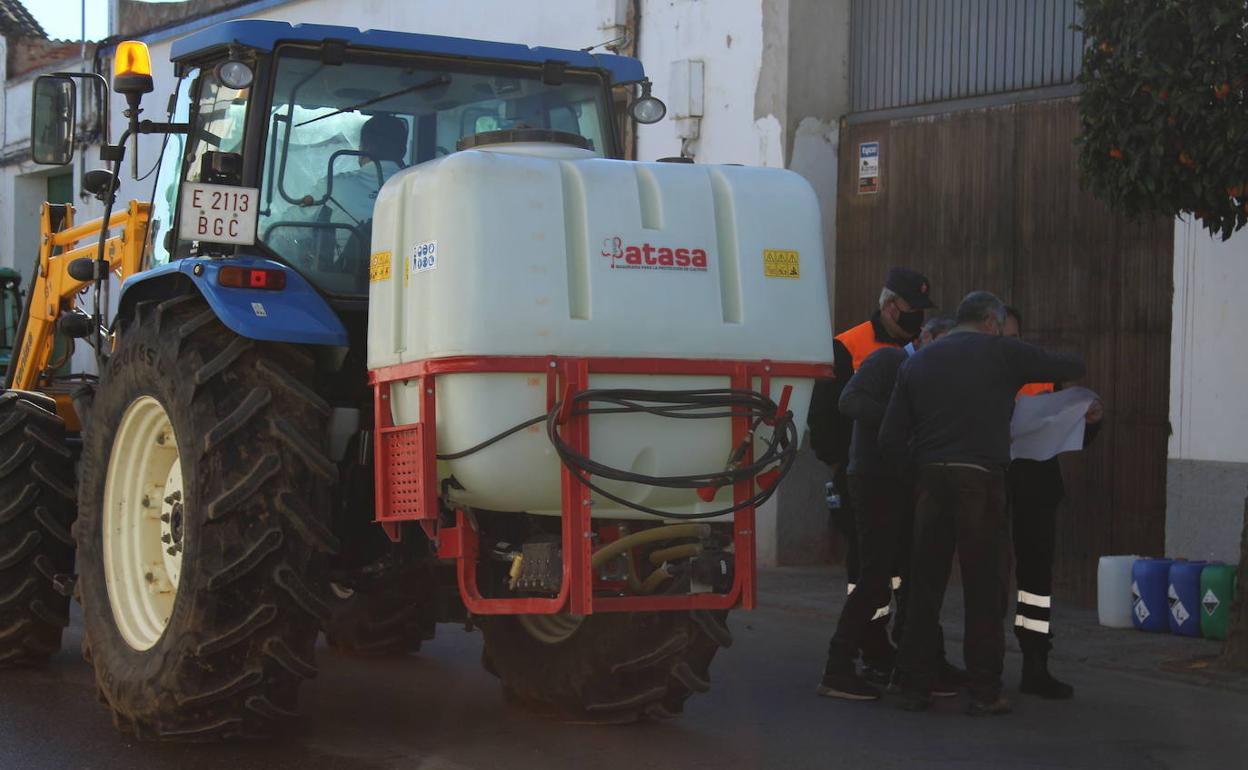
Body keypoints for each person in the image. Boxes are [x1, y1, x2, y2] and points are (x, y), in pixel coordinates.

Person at [879, 291, 1086, 716]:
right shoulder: (1000, 352)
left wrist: (916, 474)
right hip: (981, 478)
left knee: (924, 587)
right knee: (985, 588)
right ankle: (985, 689)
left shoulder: (916, 362)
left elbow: (889, 438)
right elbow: (1071, 366)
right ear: (992, 322)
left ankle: (914, 685)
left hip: (930, 478)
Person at [808, 267, 935, 683]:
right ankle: (867, 642)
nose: (916, 317)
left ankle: (890, 645)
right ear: (888, 305)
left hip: (902, 474)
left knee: (896, 562)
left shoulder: (916, 348)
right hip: (861, 473)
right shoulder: (849, 344)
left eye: (920, 310)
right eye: (910, 309)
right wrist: (837, 464)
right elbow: (825, 414)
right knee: (866, 566)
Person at [818, 316, 955, 700]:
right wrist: (902, 421)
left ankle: (917, 665)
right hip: (874, 480)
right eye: (941, 345)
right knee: (876, 575)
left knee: (913, 573)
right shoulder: (889, 362)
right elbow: (849, 400)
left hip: (905, 482)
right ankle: (838, 666)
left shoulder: (931, 378)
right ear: (924, 338)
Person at [1002, 305, 1103, 700]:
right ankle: (982, 665)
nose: (1011, 347)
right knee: (988, 579)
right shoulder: (977, 374)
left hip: (1036, 486)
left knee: (1036, 584)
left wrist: (1091, 421)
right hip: (992, 482)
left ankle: (1036, 663)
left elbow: (1067, 431)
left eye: (1015, 339)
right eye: (1003, 340)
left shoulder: (1042, 376)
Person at [300, 113, 409, 225]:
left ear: (363, 147)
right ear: (403, 151)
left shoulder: (332, 186)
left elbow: (289, 228)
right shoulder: (422, 189)